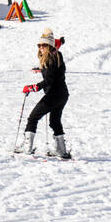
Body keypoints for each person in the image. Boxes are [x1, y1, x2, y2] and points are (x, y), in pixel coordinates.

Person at [18, 29, 71, 159]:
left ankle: (27, 148)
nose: (41, 47)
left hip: (53, 95)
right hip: (63, 94)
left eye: (44, 45)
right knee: (54, 121)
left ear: (50, 46)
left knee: (33, 118)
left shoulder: (51, 60)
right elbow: (55, 46)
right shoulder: (57, 56)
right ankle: (61, 150)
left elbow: (49, 81)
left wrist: (33, 87)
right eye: (39, 45)